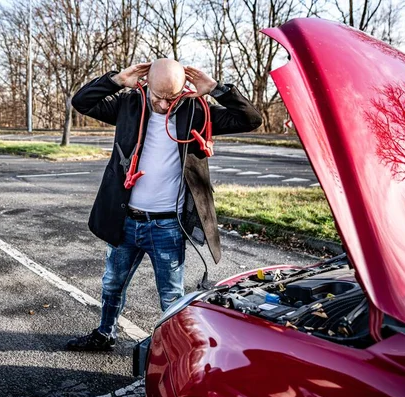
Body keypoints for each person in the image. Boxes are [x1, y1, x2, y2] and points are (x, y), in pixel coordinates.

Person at [67, 59, 262, 351]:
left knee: (171, 296)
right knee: (111, 285)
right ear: (145, 85)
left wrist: (217, 89)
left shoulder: (196, 111)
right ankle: (105, 333)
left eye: (170, 97)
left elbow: (251, 119)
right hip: (126, 222)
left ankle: (175, 351)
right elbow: (81, 102)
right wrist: (116, 81)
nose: (162, 103)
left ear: (183, 89)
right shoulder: (129, 105)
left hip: (167, 226)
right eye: (157, 95)